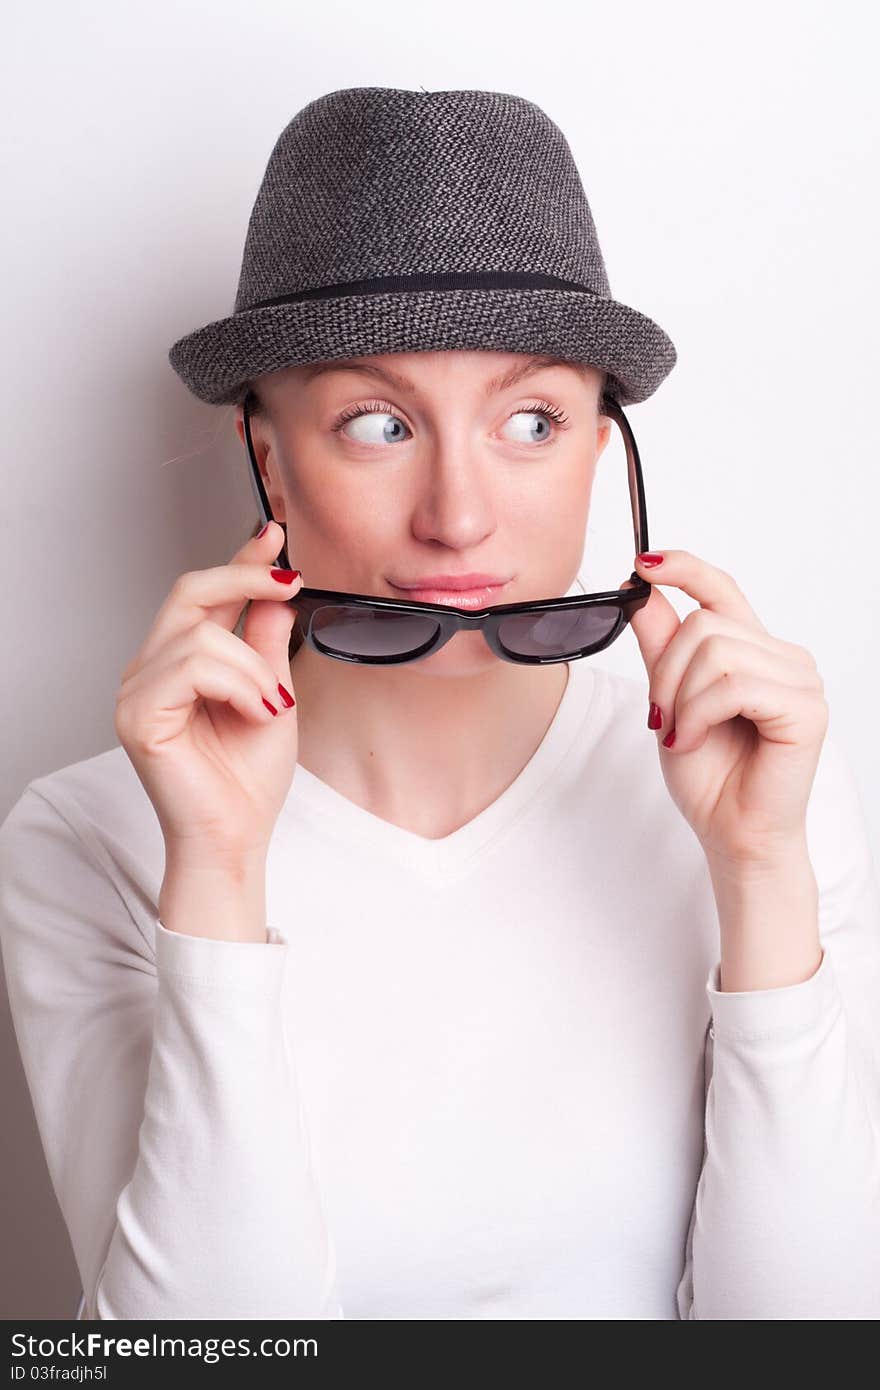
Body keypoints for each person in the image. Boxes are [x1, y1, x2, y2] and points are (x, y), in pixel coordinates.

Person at [1, 86, 879, 1322]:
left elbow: (811, 1343)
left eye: (531, 420)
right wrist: (215, 871)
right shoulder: (85, 839)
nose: (457, 514)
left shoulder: (764, 796)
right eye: (377, 422)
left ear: (599, 445)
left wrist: (756, 874)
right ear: (268, 456)